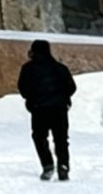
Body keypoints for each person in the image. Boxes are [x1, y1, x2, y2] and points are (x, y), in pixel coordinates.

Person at [19, 38, 77, 181]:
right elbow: (71, 87)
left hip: (39, 110)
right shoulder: (60, 68)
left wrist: (33, 99)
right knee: (61, 139)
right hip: (59, 110)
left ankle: (47, 165)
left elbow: (23, 88)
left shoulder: (27, 68)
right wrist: (62, 99)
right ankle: (63, 167)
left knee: (39, 138)